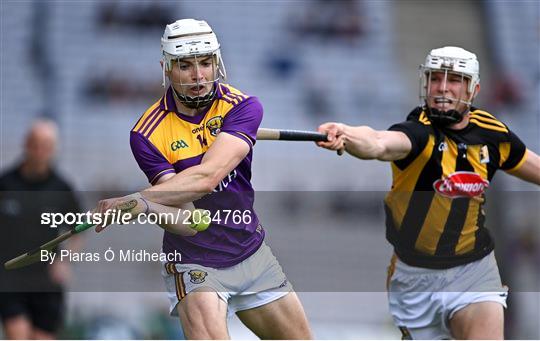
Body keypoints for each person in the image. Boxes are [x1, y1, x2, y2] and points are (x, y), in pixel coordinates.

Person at [92, 19, 312, 339]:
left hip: (250, 250)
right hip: (195, 261)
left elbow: (207, 177)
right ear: (166, 68)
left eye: (206, 63)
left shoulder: (243, 107)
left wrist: (140, 199)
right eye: (185, 65)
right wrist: (148, 207)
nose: (198, 75)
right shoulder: (147, 134)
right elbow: (189, 219)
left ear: (217, 63)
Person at [317, 46, 540, 339]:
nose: (442, 88)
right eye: (435, 78)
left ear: (473, 90)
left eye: (455, 80)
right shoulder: (418, 133)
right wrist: (347, 133)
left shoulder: (493, 134)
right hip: (415, 277)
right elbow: (378, 142)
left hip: (474, 269)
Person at [0, 119, 82, 339]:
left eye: (46, 145)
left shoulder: (62, 188)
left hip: (46, 279)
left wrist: (65, 260)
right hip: (10, 277)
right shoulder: (6, 184)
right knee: (18, 334)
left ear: (53, 149)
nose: (39, 151)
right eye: (36, 144)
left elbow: (78, 229)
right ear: (26, 144)